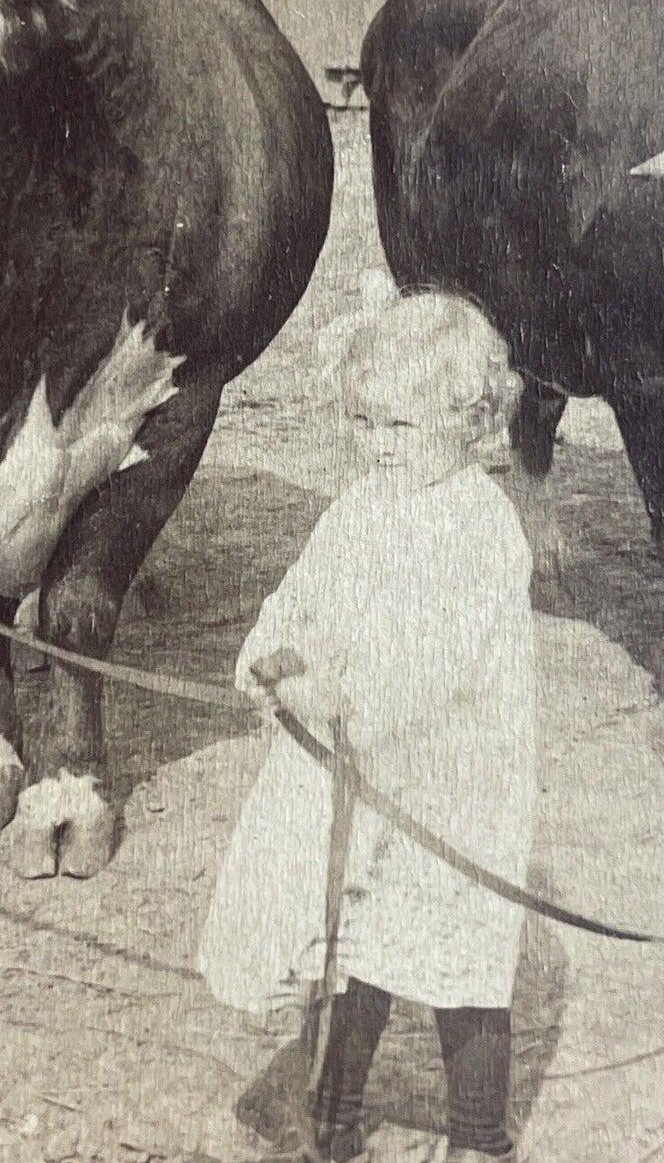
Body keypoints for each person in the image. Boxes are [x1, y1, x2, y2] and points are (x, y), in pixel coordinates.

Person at [198, 288, 538, 1162]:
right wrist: (269, 654)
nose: (375, 445)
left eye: (397, 427)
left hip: (451, 782)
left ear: (468, 421)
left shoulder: (480, 526)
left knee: (462, 968)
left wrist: (344, 698)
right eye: (363, 422)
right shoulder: (359, 506)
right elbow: (301, 594)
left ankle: (478, 1137)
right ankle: (333, 1118)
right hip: (355, 770)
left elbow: (434, 666)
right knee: (351, 951)